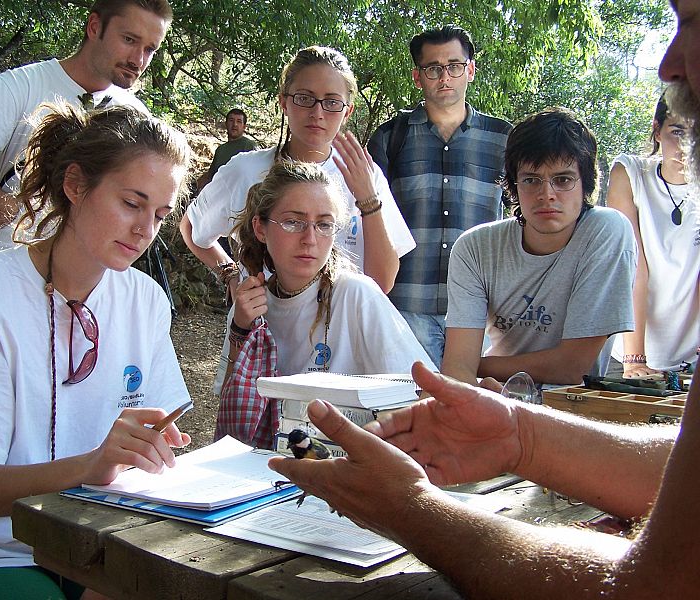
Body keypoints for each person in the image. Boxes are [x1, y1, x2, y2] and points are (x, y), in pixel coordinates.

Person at [268, 4, 700, 593]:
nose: (669, 62)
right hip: (489, 387)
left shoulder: (603, 229)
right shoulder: (454, 217)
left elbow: (657, 583)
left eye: (694, 21)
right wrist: (518, 434)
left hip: (565, 407)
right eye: (530, 180)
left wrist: (412, 510)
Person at [0, 103, 193, 600]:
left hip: (103, 546)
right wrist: (89, 466)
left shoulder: (144, 300)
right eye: (131, 203)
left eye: (160, 215)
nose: (146, 230)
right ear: (76, 186)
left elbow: (161, 446)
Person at [0, 0, 172, 253]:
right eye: (129, 40)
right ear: (94, 27)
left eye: (150, 49)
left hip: (91, 285)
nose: (138, 60)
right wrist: (2, 208)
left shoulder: (136, 115)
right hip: (14, 269)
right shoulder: (24, 86)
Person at [180, 45, 415, 297]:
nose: (317, 113)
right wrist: (229, 274)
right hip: (262, 329)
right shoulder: (245, 170)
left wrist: (367, 198)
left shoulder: (365, 175)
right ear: (283, 102)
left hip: (341, 330)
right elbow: (192, 229)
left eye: (332, 102)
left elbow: (382, 282)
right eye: (304, 98)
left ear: (348, 111)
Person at [440, 108, 636, 389]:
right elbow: (457, 371)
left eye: (563, 179)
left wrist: (476, 365)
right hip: (494, 397)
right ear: (514, 186)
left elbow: (572, 369)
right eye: (532, 180)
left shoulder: (606, 230)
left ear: (586, 184)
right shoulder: (474, 248)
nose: (547, 194)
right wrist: (466, 373)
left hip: (571, 407)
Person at [367, 25, 512, 367]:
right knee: (411, 410)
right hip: (407, 305)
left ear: (470, 70)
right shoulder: (391, 137)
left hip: (480, 309)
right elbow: (368, 220)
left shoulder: (503, 139)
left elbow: (520, 221)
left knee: (476, 411)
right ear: (418, 77)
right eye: (433, 68)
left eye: (454, 65)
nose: (444, 76)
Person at [225, 160, 434, 378]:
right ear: (260, 228)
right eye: (293, 222)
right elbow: (230, 402)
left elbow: (420, 387)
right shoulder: (249, 306)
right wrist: (240, 331)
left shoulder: (356, 295)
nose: (310, 239)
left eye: (324, 225)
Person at [606, 93, 699, 377]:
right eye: (677, 131)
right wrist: (635, 359)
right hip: (625, 348)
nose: (686, 146)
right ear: (657, 130)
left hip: (688, 356)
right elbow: (633, 265)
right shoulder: (630, 173)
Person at [196, 108, 259, 191]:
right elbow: (211, 175)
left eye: (239, 121)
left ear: (244, 127)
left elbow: (257, 175)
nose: (235, 124)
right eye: (231, 120)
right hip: (219, 195)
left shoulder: (249, 145)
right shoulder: (220, 150)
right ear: (226, 124)